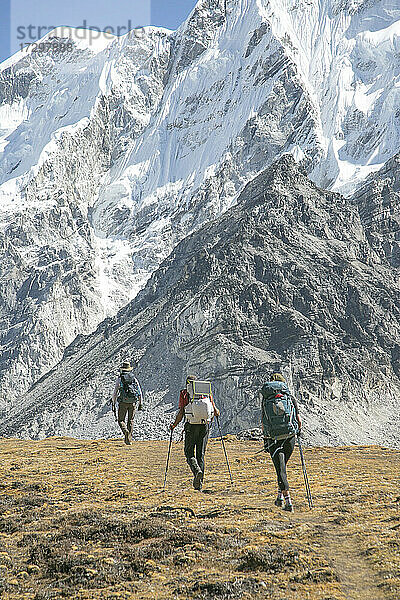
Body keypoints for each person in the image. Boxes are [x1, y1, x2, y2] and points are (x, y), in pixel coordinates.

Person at [170, 375, 220, 490]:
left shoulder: (184, 393)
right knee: (200, 454)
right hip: (204, 426)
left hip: (191, 426)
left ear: (187, 383)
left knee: (188, 452)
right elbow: (216, 412)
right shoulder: (206, 393)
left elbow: (181, 412)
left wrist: (174, 425)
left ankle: (196, 471)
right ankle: (199, 484)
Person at [261, 373, 302, 512]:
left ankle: (288, 502)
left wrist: (266, 439)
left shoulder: (266, 399)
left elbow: (263, 422)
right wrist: (298, 432)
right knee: (282, 468)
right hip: (290, 437)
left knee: (280, 470)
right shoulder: (289, 397)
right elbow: (298, 419)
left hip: (274, 439)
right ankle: (279, 497)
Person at [111, 360, 143, 445]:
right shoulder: (134, 379)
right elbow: (139, 391)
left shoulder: (120, 379)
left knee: (121, 420)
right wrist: (140, 403)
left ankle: (125, 430)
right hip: (133, 402)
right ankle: (128, 440)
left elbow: (115, 393)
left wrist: (113, 403)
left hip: (123, 403)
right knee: (131, 420)